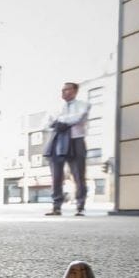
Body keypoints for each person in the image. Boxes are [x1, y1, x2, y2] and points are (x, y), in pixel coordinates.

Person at [43, 82, 91, 216]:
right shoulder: (55, 106)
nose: (63, 92)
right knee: (56, 176)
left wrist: (58, 121)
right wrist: (60, 123)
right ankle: (56, 206)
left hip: (76, 140)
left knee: (78, 175)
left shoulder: (84, 104)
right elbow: (45, 123)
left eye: (67, 90)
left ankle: (80, 206)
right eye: (62, 90)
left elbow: (77, 117)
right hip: (57, 139)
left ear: (75, 91)